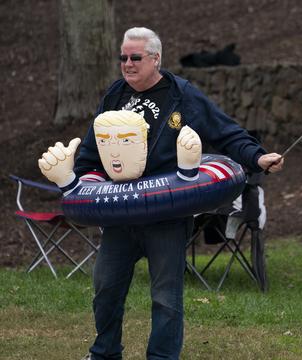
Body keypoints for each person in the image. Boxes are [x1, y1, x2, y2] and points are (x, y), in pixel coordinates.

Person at [41, 27, 283, 360]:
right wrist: (75, 179)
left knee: (166, 297)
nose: (127, 64)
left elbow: (226, 132)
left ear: (155, 59)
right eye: (123, 57)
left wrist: (258, 157)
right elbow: (91, 154)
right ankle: (104, 353)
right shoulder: (114, 95)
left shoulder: (182, 95)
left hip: (166, 215)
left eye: (135, 57)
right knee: (106, 290)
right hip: (120, 215)